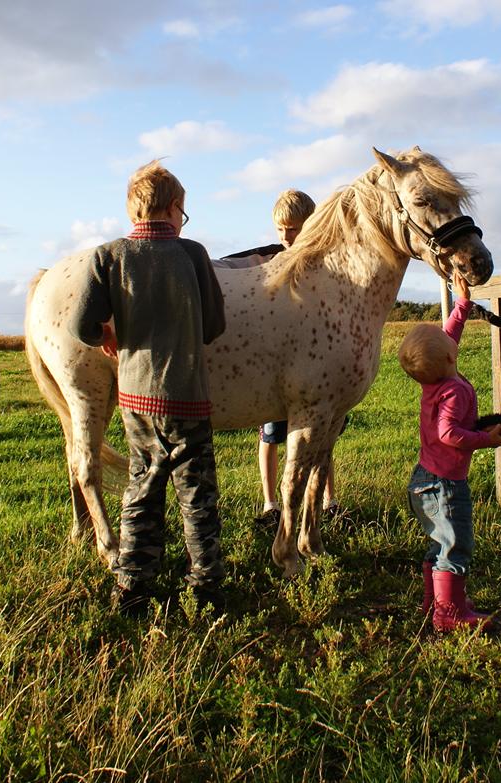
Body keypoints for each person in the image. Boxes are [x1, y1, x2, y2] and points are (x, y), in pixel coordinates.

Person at [69, 159, 227, 618]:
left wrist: (110, 337)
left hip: (136, 399)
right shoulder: (193, 255)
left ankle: (134, 587)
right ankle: (206, 588)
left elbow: (83, 324)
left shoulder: (109, 256)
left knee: (142, 487)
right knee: (197, 496)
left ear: (133, 210)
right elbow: (214, 326)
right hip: (187, 398)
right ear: (176, 208)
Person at [397, 271, 501, 632]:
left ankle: (436, 602)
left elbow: (448, 336)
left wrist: (463, 303)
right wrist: (490, 439)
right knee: (456, 545)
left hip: (423, 480)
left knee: (438, 543)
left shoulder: (435, 379)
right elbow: (449, 433)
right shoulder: (453, 391)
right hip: (444, 486)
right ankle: (449, 614)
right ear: (450, 358)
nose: (450, 337)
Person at [217, 189, 345, 528]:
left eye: (293, 229)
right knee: (271, 436)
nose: (286, 237)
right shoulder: (271, 259)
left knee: (321, 436)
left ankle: (330, 500)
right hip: (278, 363)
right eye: (280, 229)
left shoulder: (329, 261)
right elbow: (231, 266)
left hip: (316, 363)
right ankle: (270, 503)